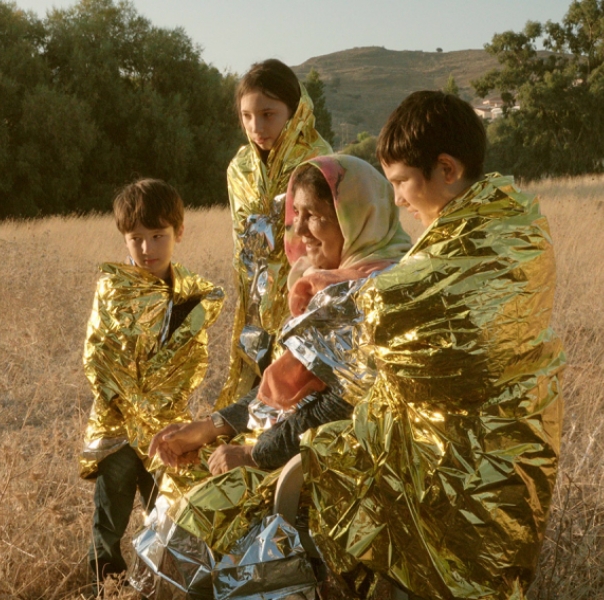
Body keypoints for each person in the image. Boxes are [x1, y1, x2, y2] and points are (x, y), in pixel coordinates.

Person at [294, 91, 565, 599]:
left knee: (461, 577)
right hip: (466, 445)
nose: (396, 200)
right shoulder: (499, 224)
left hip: (490, 453)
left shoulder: (494, 236)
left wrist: (352, 306)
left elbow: (420, 319)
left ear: (445, 169)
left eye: (400, 183)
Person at [136, 155, 411, 599]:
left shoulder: (375, 291)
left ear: (356, 218)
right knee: (177, 504)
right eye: (295, 213)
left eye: (316, 216)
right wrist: (208, 427)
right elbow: (280, 393)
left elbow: (339, 405)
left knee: (200, 536)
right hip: (292, 450)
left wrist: (255, 455)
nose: (299, 230)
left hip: (336, 475)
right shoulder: (324, 282)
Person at [79, 179, 224, 593]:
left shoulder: (195, 297)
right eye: (136, 239)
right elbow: (97, 358)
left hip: (169, 431)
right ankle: (105, 588)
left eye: (157, 236)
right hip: (118, 432)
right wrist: (132, 409)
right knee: (109, 521)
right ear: (124, 239)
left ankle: (156, 586)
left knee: (168, 514)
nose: (147, 249)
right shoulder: (112, 289)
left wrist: (168, 421)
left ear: (179, 233)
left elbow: (194, 364)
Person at [217, 58, 332, 410]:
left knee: (297, 400)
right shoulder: (240, 169)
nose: (257, 126)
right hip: (254, 303)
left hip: (305, 298)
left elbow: (329, 239)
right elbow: (243, 245)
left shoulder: (320, 161)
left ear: (294, 112)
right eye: (247, 116)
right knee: (251, 400)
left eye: (268, 114)